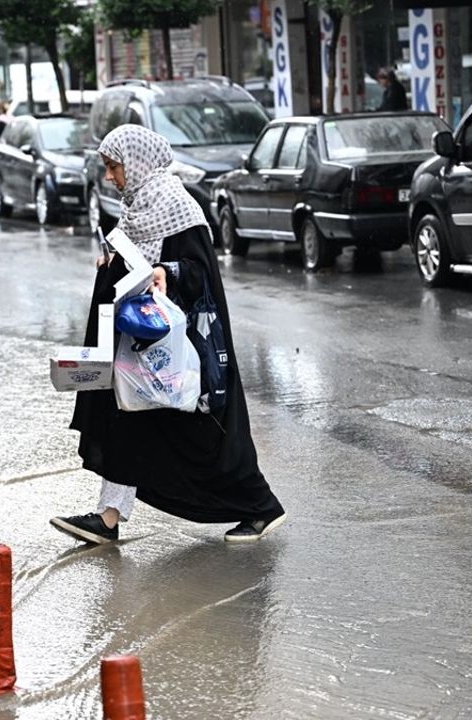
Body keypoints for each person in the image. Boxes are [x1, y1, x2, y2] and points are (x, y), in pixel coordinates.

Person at [51, 124, 287, 545]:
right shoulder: (137, 207)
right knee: (125, 421)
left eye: (114, 167)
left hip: (180, 352)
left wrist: (168, 272)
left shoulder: (179, 205)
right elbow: (136, 260)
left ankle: (261, 506)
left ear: (137, 163)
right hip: (141, 346)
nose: (110, 177)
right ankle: (108, 518)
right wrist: (113, 265)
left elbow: (201, 274)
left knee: (202, 438)